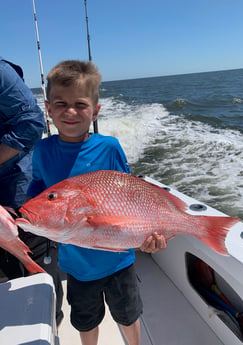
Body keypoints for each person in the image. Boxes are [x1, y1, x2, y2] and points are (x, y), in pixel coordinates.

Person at [26, 59, 167, 345]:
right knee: (85, 320)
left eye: (80, 103)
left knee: (128, 315)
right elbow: (37, 192)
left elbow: (131, 193)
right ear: (48, 108)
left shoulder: (109, 146)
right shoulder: (42, 150)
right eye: (60, 103)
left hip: (120, 260)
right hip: (77, 265)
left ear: (95, 110)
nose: (70, 111)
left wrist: (152, 234)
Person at [0, 57, 64, 326]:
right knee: (11, 273)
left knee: (41, 275)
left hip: (18, 191)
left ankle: (52, 323)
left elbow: (31, 122)